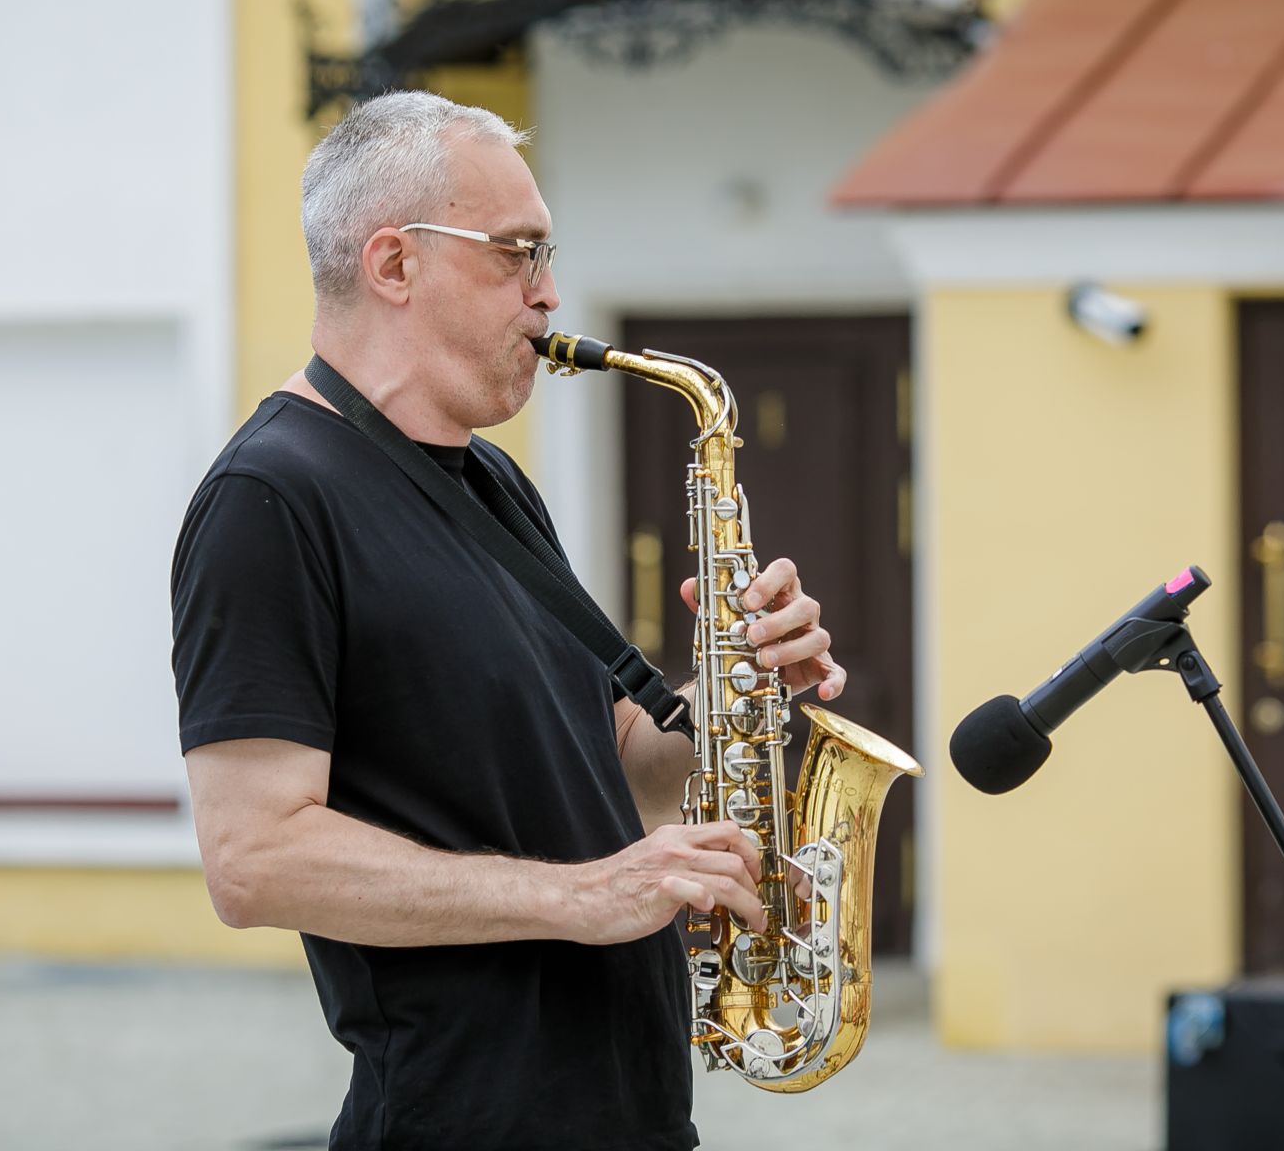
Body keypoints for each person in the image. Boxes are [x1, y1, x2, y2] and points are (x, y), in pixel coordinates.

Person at [170, 91, 846, 1151]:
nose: (549, 291)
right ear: (393, 264)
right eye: (517, 253)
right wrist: (585, 894)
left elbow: (615, 762)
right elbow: (253, 858)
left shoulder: (491, 481)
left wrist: (741, 689)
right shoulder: (270, 496)